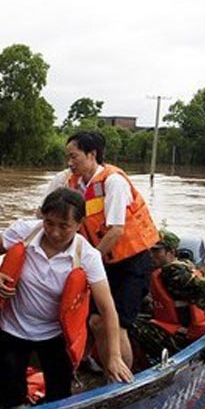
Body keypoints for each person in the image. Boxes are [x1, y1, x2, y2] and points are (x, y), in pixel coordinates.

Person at [0, 188, 133, 408]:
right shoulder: (24, 231)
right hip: (13, 329)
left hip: (54, 334)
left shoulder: (87, 256)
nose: (54, 232)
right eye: (49, 223)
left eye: (64, 226)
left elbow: (107, 309)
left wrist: (114, 357)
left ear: (79, 224)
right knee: (10, 396)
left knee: (59, 397)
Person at [46, 130, 159, 369]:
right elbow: (44, 210)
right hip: (104, 260)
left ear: (92, 155)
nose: (70, 162)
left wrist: (89, 262)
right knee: (96, 322)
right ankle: (101, 368)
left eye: (74, 156)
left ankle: (124, 379)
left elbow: (116, 230)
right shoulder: (71, 182)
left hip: (131, 262)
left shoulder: (113, 182)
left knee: (117, 325)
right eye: (68, 157)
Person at [131, 229, 205, 365]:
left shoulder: (172, 272)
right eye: (149, 250)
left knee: (127, 325)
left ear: (171, 252)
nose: (151, 255)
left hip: (180, 337)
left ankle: (139, 366)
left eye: (157, 251)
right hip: (175, 330)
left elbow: (204, 287)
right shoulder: (185, 266)